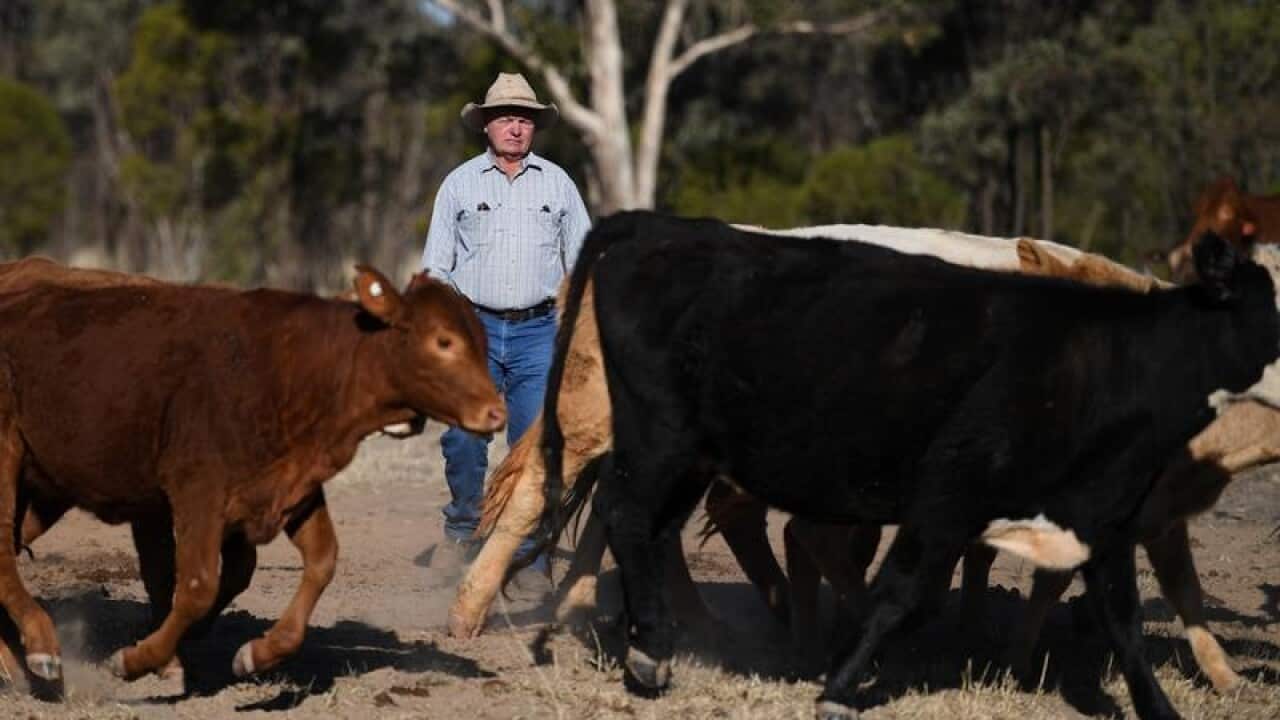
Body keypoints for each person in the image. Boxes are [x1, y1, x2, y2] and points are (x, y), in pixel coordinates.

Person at [421, 72, 590, 590]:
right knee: (463, 441)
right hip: (474, 330)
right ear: (487, 126)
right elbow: (435, 268)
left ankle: (531, 559)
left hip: (539, 331)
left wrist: (573, 327)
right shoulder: (460, 184)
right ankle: (463, 533)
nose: (515, 128)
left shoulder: (558, 184)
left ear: (533, 127)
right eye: (505, 119)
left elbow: (582, 260)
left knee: (534, 448)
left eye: (524, 120)